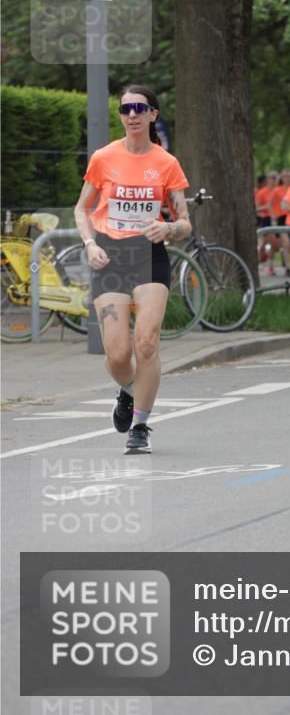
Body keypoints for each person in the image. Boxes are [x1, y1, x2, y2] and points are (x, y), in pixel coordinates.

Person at [74, 86, 191, 454]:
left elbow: (185, 222)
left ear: (153, 114)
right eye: (126, 109)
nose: (133, 114)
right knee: (117, 353)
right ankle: (128, 391)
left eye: (140, 108)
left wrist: (168, 229)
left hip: (149, 256)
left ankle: (140, 425)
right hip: (110, 256)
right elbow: (81, 209)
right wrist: (90, 244)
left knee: (146, 342)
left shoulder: (167, 163)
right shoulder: (104, 158)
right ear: (121, 116)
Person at [256, 170, 278, 273]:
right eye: (272, 177)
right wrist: (268, 207)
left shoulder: (279, 191)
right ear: (267, 179)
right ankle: (266, 264)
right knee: (273, 243)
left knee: (266, 244)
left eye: (276, 177)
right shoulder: (262, 192)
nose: (274, 180)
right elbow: (257, 208)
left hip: (278, 219)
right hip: (266, 219)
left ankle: (266, 264)